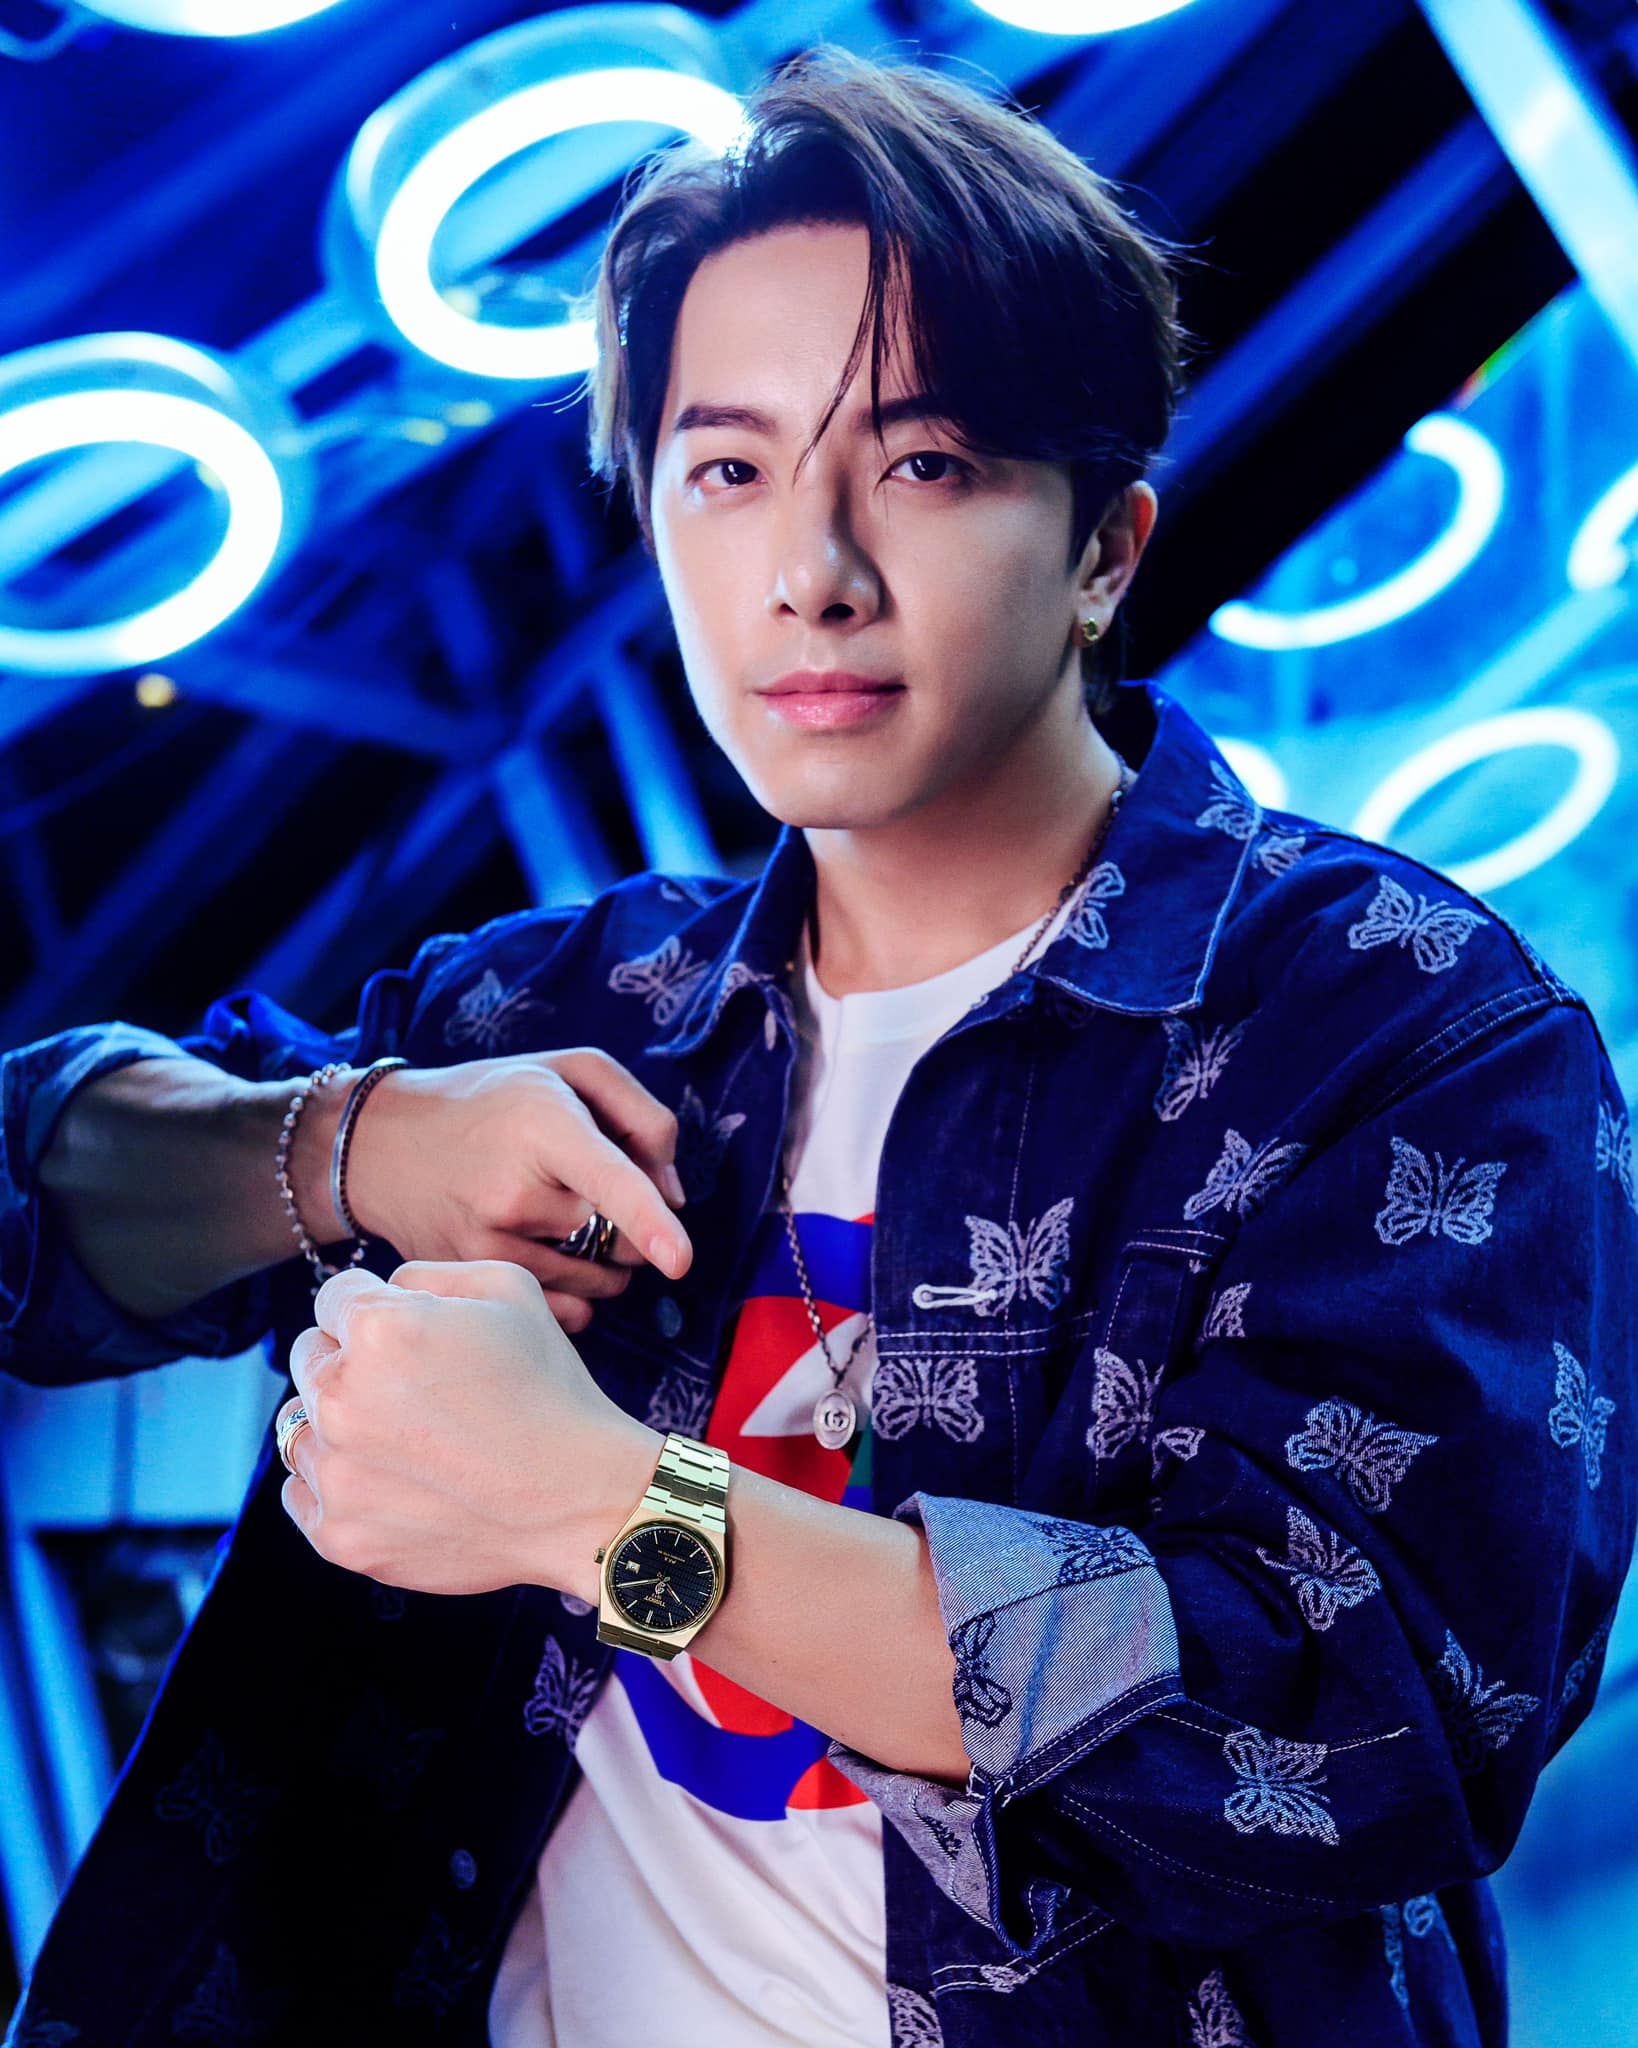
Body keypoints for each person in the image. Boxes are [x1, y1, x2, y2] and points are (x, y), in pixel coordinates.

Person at [2, 40, 1633, 2048]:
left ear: (1106, 545)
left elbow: (1361, 1721)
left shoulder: (1399, 1026)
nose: (812, 573)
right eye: (730, 470)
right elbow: (31, 1214)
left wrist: (615, 1513)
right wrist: (345, 1144)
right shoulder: (553, 1011)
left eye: (923, 464)